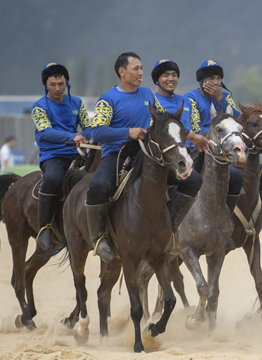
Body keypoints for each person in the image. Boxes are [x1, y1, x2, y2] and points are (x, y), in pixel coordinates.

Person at [87, 52, 202, 263]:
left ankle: (170, 229)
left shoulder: (148, 94)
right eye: (136, 69)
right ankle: (99, 238)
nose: (141, 73)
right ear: (122, 72)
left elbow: (162, 120)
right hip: (117, 155)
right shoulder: (107, 99)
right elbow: (96, 132)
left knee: (193, 179)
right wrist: (127, 132)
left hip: (148, 156)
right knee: (99, 186)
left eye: (141, 68)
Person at [186, 60, 262, 212]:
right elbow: (196, 128)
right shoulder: (191, 98)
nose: (216, 82)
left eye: (219, 79)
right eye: (211, 78)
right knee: (190, 180)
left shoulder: (225, 96)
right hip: (202, 150)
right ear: (202, 81)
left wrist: (220, 99)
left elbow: (239, 121)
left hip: (229, 149)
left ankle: (252, 214)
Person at [30, 63, 92, 250]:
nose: (57, 88)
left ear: (66, 84)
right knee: (54, 179)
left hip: (78, 154)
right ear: (46, 85)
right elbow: (46, 132)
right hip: (53, 155)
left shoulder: (77, 103)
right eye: (53, 84)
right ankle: (45, 228)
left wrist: (87, 136)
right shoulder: (39, 107)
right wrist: (73, 136)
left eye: (61, 84)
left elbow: (88, 127)